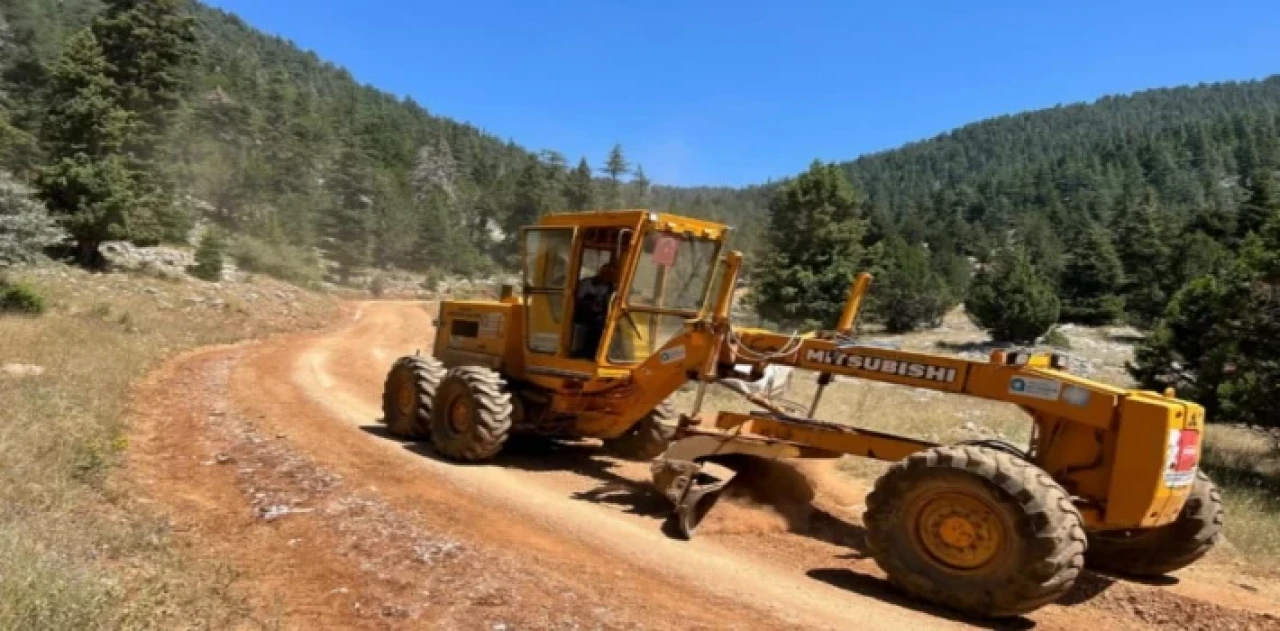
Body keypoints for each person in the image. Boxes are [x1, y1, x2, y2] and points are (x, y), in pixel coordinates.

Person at [572, 258, 619, 358]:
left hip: (604, 315)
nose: (607, 276)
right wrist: (591, 305)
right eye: (605, 273)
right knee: (598, 324)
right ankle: (588, 352)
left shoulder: (613, 288)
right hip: (584, 314)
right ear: (600, 272)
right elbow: (577, 300)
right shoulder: (586, 283)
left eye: (610, 275)